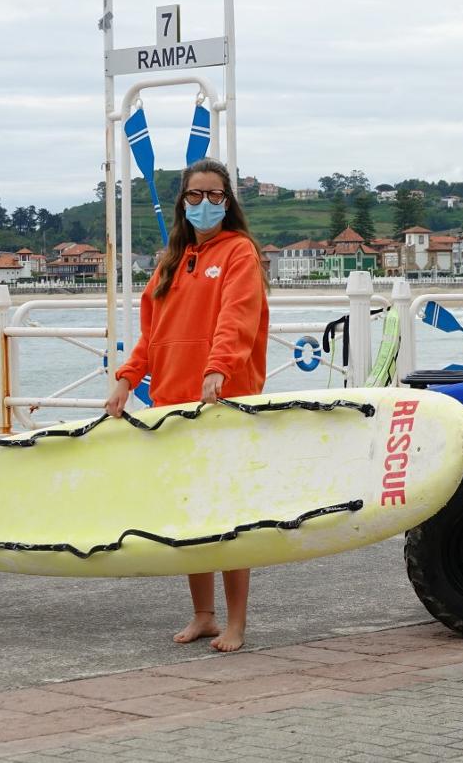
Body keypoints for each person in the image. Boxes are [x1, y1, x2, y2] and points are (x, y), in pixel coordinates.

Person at [105, 158, 269, 652]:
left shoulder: (240, 253)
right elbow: (151, 336)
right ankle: (204, 616)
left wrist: (218, 367)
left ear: (228, 200)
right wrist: (126, 380)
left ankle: (237, 623)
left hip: (223, 402)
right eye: (194, 195)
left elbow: (237, 316)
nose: (203, 204)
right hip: (172, 404)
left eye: (214, 195)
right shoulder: (170, 262)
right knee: (192, 514)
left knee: (228, 515)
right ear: (182, 202)